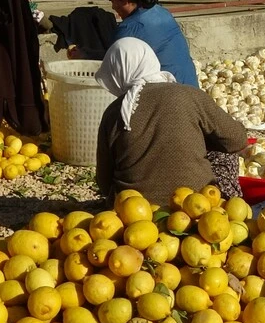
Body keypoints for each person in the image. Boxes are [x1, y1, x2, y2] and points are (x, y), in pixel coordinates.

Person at [96, 38, 248, 205]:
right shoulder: (189, 95)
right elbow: (237, 139)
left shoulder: (114, 112)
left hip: (133, 213)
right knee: (225, 152)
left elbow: (104, 182)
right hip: (196, 206)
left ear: (117, 74)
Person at [108, 0, 199, 87]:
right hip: (193, 92)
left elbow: (112, 70)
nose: (113, 7)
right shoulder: (161, 12)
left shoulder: (130, 29)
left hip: (167, 99)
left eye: (113, 1)